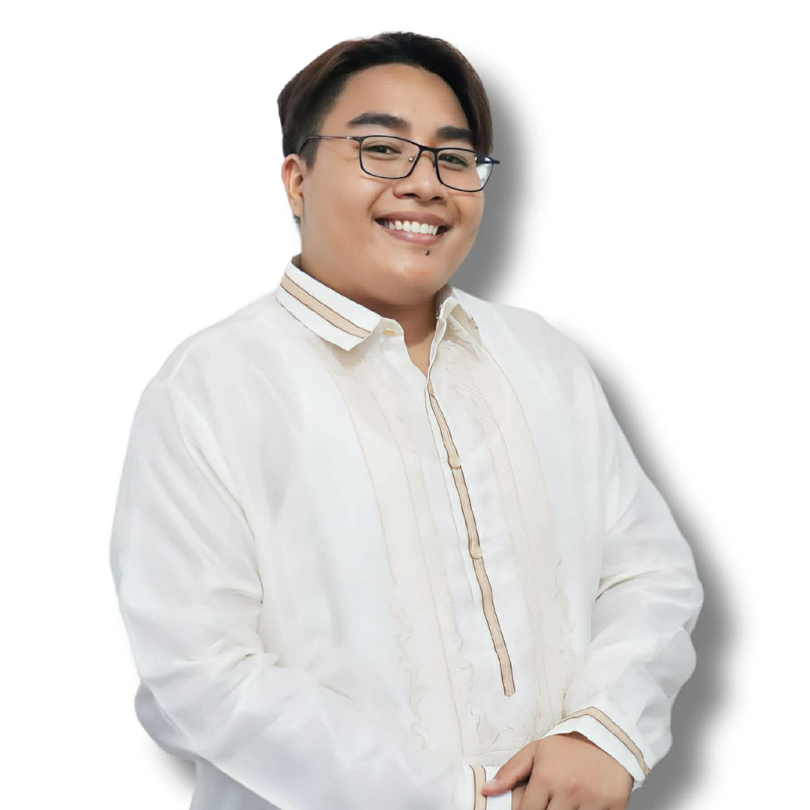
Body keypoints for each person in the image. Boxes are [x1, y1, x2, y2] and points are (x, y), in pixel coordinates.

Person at [109, 30, 704, 810]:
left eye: (453, 158)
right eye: (382, 149)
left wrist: (603, 734)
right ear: (297, 179)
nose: (425, 184)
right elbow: (198, 676)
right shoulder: (213, 388)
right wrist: (463, 799)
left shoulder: (541, 359)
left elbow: (647, 573)